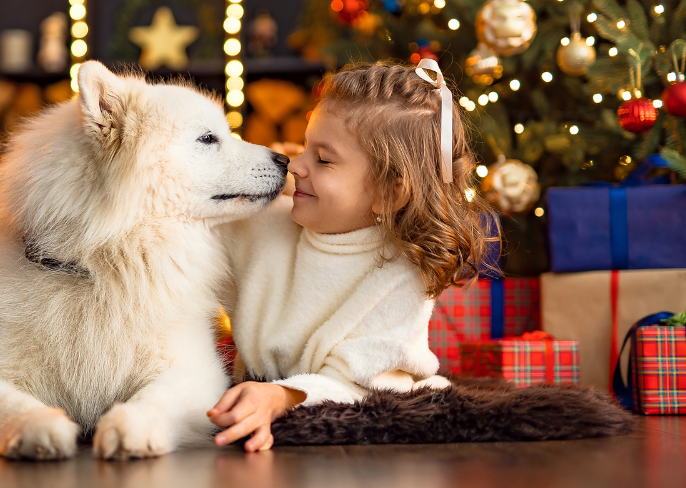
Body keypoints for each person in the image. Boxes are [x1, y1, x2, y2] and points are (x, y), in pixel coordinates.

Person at [208, 60, 497, 452]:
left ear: (390, 193)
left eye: (324, 159)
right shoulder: (265, 223)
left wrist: (279, 397)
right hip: (260, 388)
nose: (295, 165)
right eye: (305, 146)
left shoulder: (400, 274)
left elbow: (356, 385)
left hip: (359, 422)